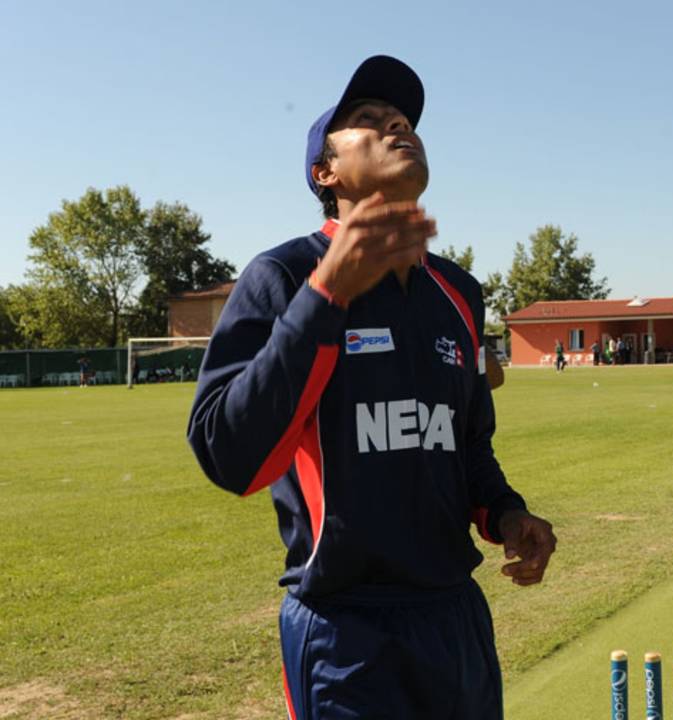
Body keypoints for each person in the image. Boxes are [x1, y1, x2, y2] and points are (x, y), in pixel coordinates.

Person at [187, 55, 556, 720]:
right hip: (345, 634)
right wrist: (327, 293)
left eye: (403, 118)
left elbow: (467, 443)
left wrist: (505, 513)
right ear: (323, 173)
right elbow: (227, 454)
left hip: (455, 621)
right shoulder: (282, 275)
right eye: (366, 119)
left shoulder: (458, 293)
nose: (395, 123)